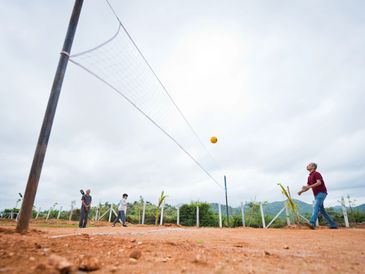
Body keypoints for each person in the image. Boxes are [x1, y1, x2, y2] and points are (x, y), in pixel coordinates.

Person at [298, 163, 337, 229]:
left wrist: (309, 186)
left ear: (313, 167)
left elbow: (319, 183)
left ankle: (312, 223)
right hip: (316, 195)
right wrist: (301, 191)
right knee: (322, 211)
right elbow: (308, 187)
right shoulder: (309, 176)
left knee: (316, 206)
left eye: (309, 165)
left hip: (322, 193)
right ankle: (333, 225)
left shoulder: (316, 173)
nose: (307, 166)